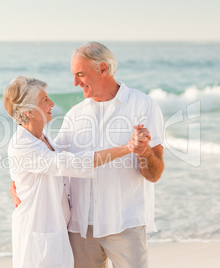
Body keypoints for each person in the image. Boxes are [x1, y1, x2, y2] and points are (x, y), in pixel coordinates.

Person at [11, 42, 165, 268]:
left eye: (80, 74)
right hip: (81, 229)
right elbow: (55, 161)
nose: (75, 83)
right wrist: (17, 180)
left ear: (103, 69)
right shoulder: (76, 114)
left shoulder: (143, 106)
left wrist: (143, 153)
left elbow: (155, 173)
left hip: (125, 223)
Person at [3, 76, 143, 268]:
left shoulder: (44, 138)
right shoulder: (22, 145)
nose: (51, 103)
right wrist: (127, 148)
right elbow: (73, 163)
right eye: (44, 100)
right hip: (38, 234)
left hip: (57, 233)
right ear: (29, 112)